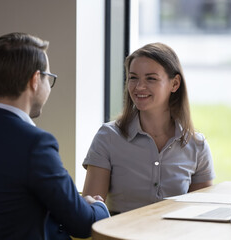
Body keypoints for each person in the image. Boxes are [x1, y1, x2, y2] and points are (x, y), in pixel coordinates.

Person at [0, 32, 109, 240]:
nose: (49, 86)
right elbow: (83, 223)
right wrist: (98, 206)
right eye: (48, 78)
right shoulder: (36, 144)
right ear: (35, 80)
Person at [82, 42, 215, 214]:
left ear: (174, 84)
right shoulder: (108, 137)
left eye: (151, 78)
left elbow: (201, 214)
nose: (139, 87)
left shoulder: (197, 146)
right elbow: (89, 213)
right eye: (133, 78)